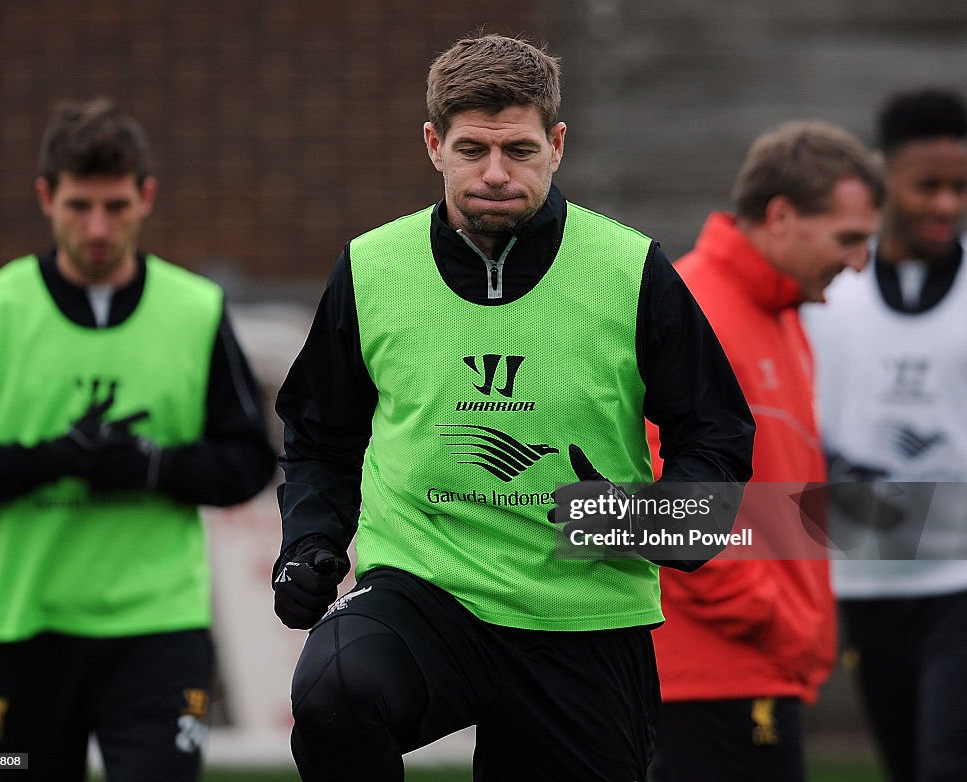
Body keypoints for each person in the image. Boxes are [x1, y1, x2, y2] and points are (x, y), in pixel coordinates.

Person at [271, 33, 754, 782]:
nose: (495, 173)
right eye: (471, 150)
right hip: (425, 589)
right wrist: (307, 540)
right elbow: (319, 438)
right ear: (434, 145)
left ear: (557, 145)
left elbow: (716, 429)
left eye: (520, 151)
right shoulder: (372, 268)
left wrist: (661, 517)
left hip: (582, 609)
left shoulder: (630, 269)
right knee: (336, 694)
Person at [0, 98, 277, 781]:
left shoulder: (196, 311)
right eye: (78, 206)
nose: (98, 228)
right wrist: (50, 462)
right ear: (46, 197)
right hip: (25, 626)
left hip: (158, 627)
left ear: (146, 197)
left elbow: (248, 463)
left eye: (117, 207)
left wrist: (152, 467)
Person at [647, 121, 884, 782]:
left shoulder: (781, 315)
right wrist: (788, 625)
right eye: (849, 238)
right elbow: (666, 515)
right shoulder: (696, 312)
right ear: (781, 217)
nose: (862, 261)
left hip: (754, 670)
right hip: (710, 680)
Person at [803, 88, 967, 782]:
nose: (946, 204)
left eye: (961, 187)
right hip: (865, 578)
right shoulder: (829, 292)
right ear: (882, 180)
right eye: (927, 185)